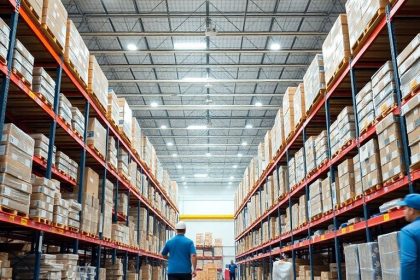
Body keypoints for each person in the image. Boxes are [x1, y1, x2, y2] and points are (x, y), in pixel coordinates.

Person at [398, 193, 420, 280]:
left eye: (405, 208)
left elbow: (408, 262)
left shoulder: (408, 231)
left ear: (411, 210)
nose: (403, 211)